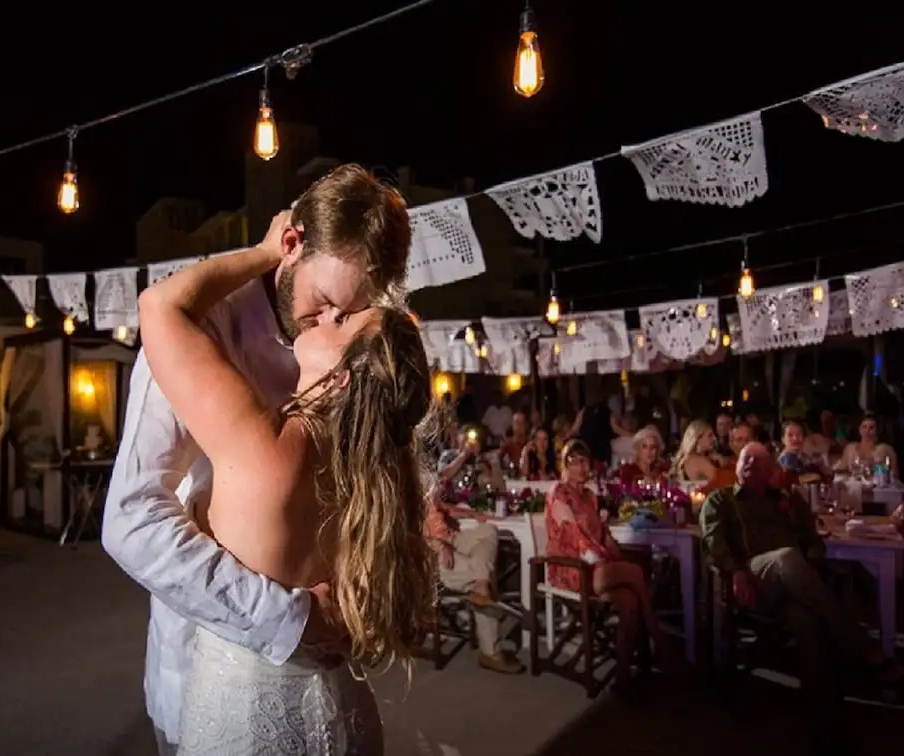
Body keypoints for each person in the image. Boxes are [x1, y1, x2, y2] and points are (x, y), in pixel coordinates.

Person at [102, 165, 415, 755]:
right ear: (291, 244)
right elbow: (132, 519)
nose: (331, 324)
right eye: (324, 302)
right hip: (211, 670)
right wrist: (287, 618)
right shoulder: (205, 330)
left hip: (333, 674)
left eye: (351, 314)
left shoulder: (349, 355)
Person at [700, 443, 903, 744]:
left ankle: (826, 722)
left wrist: (808, 566)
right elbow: (713, 542)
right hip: (755, 577)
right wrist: (736, 571)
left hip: (794, 584)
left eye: (758, 462)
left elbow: (814, 542)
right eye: (746, 459)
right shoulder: (721, 500)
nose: (749, 465)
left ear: (770, 471)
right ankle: (864, 648)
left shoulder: (787, 500)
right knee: (786, 557)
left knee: (805, 621)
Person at [545, 440, 668, 688]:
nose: (581, 467)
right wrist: (602, 557)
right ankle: (658, 640)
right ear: (565, 466)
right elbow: (574, 537)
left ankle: (623, 674)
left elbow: (602, 536)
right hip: (573, 568)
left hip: (597, 568)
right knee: (635, 573)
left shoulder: (590, 497)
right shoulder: (559, 493)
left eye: (585, 461)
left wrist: (609, 545)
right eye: (575, 462)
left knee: (630, 600)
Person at [424, 495, 524, 674]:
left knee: (488, 529)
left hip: (453, 539)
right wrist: (438, 544)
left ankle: (481, 582)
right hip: (432, 552)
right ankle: (491, 652)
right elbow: (404, 533)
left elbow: (444, 507)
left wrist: (474, 514)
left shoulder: (424, 488)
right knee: (484, 574)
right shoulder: (399, 493)